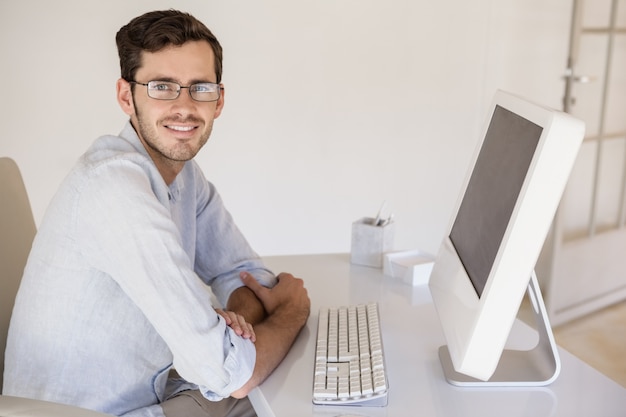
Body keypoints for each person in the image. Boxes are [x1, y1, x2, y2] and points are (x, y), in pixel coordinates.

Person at [3, 9, 310, 417]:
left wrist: (235, 325)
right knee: (295, 400)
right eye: (162, 87)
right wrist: (292, 310)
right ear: (126, 96)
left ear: (219, 100)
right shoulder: (114, 190)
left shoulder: (184, 175)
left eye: (200, 88)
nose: (184, 107)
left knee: (290, 392)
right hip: (91, 413)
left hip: (153, 393)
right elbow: (231, 372)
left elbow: (245, 274)